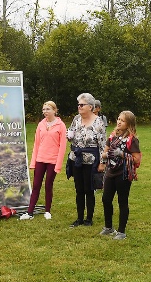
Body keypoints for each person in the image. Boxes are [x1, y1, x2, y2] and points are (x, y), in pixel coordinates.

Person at [21, 101, 68, 221]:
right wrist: (33, 162)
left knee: (48, 185)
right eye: (44, 109)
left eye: (48, 109)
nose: (45, 112)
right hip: (40, 159)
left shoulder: (61, 125)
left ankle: (47, 211)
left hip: (53, 160)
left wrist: (58, 165)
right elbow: (36, 144)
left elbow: (62, 147)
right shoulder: (41, 125)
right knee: (36, 185)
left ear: (54, 110)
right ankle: (29, 212)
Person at [100, 111, 142, 240]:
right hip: (110, 172)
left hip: (124, 173)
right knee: (106, 199)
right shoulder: (112, 136)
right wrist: (105, 157)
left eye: (122, 120)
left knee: (122, 201)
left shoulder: (132, 140)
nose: (118, 122)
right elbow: (104, 152)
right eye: (118, 119)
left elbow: (137, 159)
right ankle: (108, 227)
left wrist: (122, 154)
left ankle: (121, 231)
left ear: (129, 124)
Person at [65, 92, 106, 227]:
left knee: (89, 189)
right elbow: (70, 133)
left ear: (90, 106)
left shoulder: (98, 122)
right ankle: (79, 218)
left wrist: (102, 163)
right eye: (78, 105)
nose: (79, 107)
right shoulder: (76, 119)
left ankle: (89, 218)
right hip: (76, 158)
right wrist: (69, 135)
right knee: (79, 189)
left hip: (91, 159)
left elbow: (102, 144)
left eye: (82, 105)